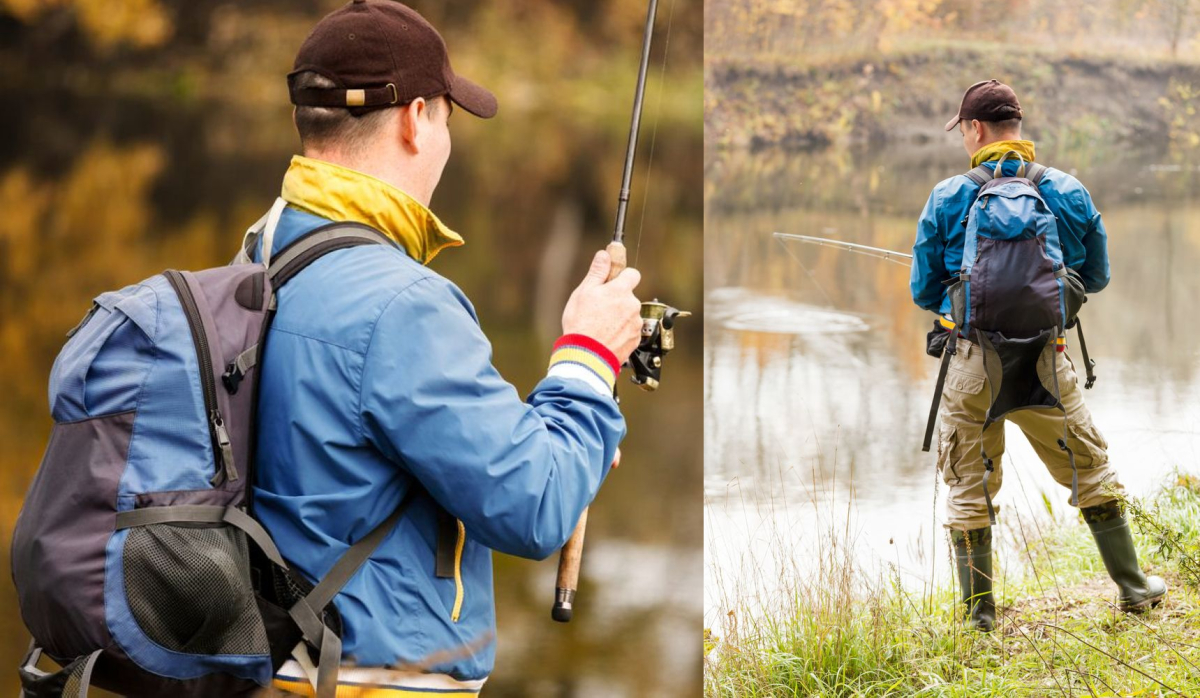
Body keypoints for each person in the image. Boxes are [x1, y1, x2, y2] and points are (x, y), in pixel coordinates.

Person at [249, 1, 643, 693]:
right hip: (371, 679)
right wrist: (588, 355)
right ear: (414, 119)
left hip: (263, 664)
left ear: (301, 121)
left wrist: (561, 433)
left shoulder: (258, 256)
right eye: (447, 120)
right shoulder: (402, 304)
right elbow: (535, 505)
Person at [910, 79, 1166, 632]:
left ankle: (979, 616)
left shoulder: (948, 196)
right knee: (1090, 469)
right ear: (1018, 126)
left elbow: (923, 291)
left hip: (975, 365)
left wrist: (967, 295)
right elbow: (1096, 277)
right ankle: (1134, 587)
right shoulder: (1066, 190)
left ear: (975, 129)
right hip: (1048, 361)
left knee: (969, 485)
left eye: (964, 130)